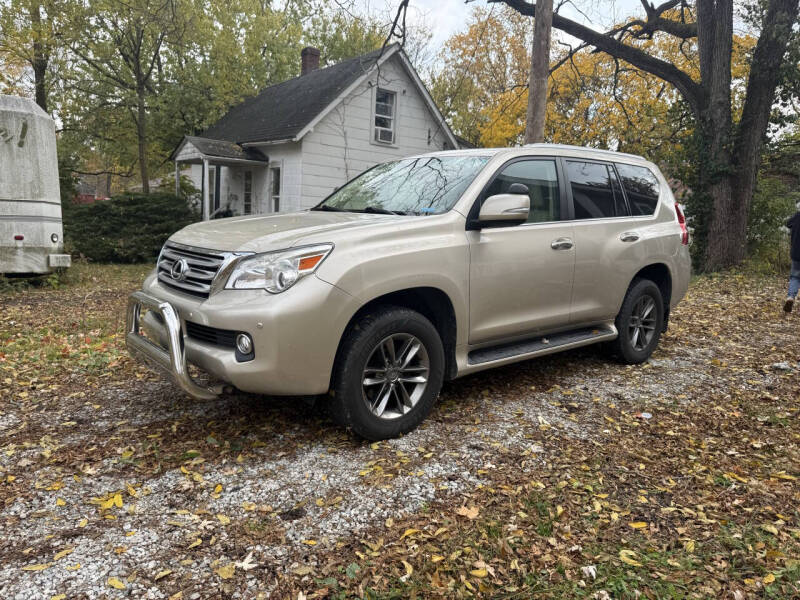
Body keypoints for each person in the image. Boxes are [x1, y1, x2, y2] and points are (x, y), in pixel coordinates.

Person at [783, 200, 800, 314]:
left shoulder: (797, 217)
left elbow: (788, 223)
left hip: (796, 253)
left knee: (795, 277)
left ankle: (790, 297)